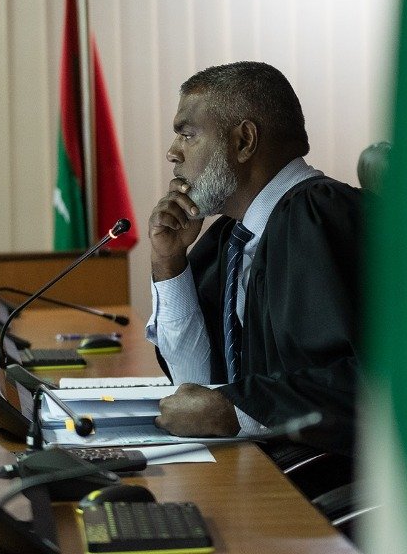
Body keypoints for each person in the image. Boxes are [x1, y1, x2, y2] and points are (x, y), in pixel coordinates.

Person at [146, 61, 364, 456]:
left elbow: (368, 383)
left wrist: (236, 410)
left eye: (187, 134)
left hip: (324, 479)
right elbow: (195, 386)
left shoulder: (319, 216)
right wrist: (170, 262)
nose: (172, 153)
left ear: (244, 141)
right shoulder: (232, 234)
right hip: (262, 468)